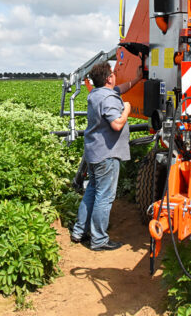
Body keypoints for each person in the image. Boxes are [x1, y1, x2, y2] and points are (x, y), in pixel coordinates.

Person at [71, 61, 142, 251]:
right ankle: (99, 240)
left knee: (92, 191)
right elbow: (117, 124)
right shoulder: (110, 99)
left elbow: (119, 89)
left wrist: (137, 78)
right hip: (107, 155)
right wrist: (126, 109)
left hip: (94, 152)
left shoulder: (97, 94)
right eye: (113, 73)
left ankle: (79, 231)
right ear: (109, 78)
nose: (115, 75)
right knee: (105, 197)